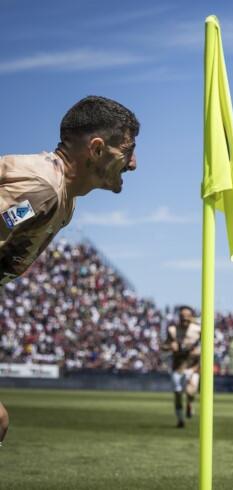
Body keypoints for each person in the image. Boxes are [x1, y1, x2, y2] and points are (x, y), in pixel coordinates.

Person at [0, 95, 139, 440]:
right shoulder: (42, 189)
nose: (133, 163)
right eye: (127, 150)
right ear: (96, 149)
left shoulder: (64, 198)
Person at [163, 306, 201, 428]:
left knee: (190, 391)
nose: (184, 318)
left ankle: (190, 403)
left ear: (191, 317)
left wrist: (199, 352)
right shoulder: (172, 330)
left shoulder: (198, 330)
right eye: (182, 316)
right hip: (177, 367)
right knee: (178, 393)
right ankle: (180, 419)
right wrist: (170, 347)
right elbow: (164, 346)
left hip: (192, 366)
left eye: (187, 316)